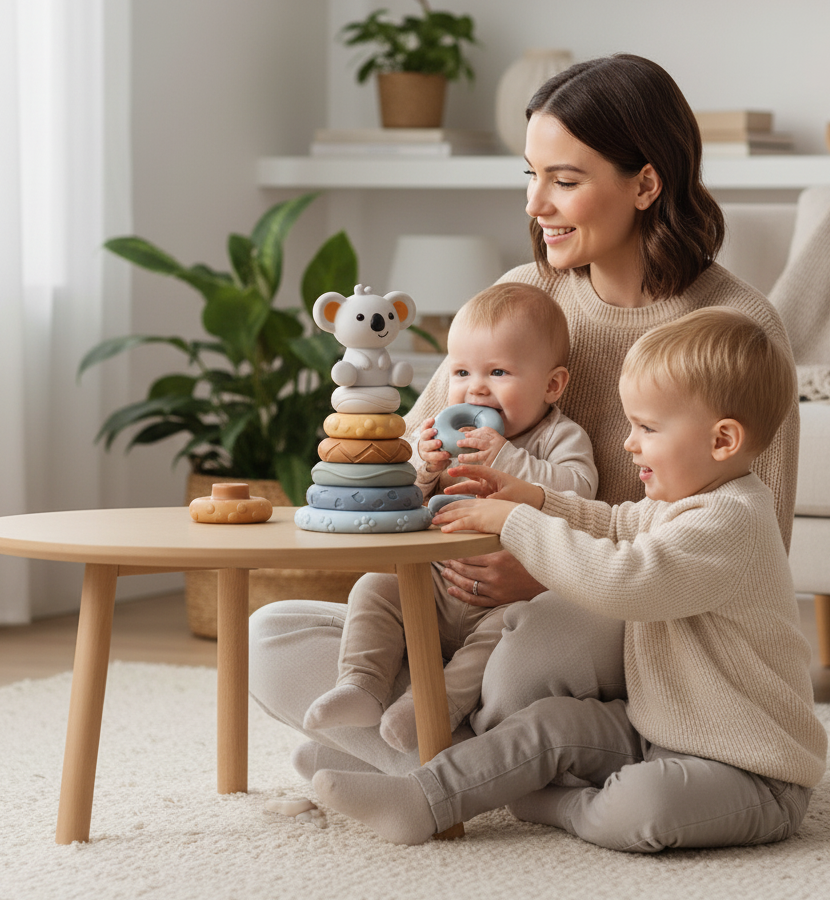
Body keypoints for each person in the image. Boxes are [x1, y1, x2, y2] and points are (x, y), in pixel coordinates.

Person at [248, 53, 800, 780]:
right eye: (530, 176)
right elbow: (417, 451)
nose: (536, 204)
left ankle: (451, 758)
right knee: (271, 636)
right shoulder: (523, 295)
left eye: (564, 181)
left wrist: (542, 569)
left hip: (621, 618)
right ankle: (477, 754)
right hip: (462, 600)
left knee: (527, 660)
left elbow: (751, 543)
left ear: (645, 183)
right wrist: (428, 495)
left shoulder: (737, 327)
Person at [312, 307, 826, 850]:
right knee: (549, 724)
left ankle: (549, 804)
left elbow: (625, 580)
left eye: (647, 429)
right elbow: (616, 521)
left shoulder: (730, 520)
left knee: (642, 807)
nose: (629, 444)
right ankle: (421, 799)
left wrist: (517, 522)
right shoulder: (690, 502)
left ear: (722, 441)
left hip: (751, 768)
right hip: (657, 728)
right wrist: (535, 496)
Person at [303, 283, 597, 753]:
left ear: (552, 385)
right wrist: (424, 468)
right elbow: (405, 504)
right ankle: (359, 687)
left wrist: (508, 458)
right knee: (375, 588)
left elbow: (580, 495)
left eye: (498, 372)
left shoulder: (558, 438)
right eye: (461, 371)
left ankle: (428, 711)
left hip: (506, 606)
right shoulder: (440, 430)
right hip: (437, 589)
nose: (475, 387)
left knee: (499, 643)